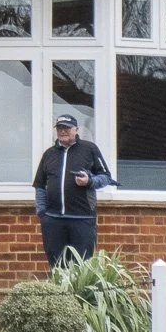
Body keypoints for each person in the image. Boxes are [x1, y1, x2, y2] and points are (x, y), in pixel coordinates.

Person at [32, 113, 113, 267]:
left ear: (76, 129)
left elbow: (105, 177)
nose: (63, 131)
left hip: (82, 219)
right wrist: (42, 213)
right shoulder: (49, 154)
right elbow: (40, 186)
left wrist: (89, 182)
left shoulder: (89, 149)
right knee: (57, 266)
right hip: (53, 220)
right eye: (60, 128)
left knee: (82, 266)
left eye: (67, 128)